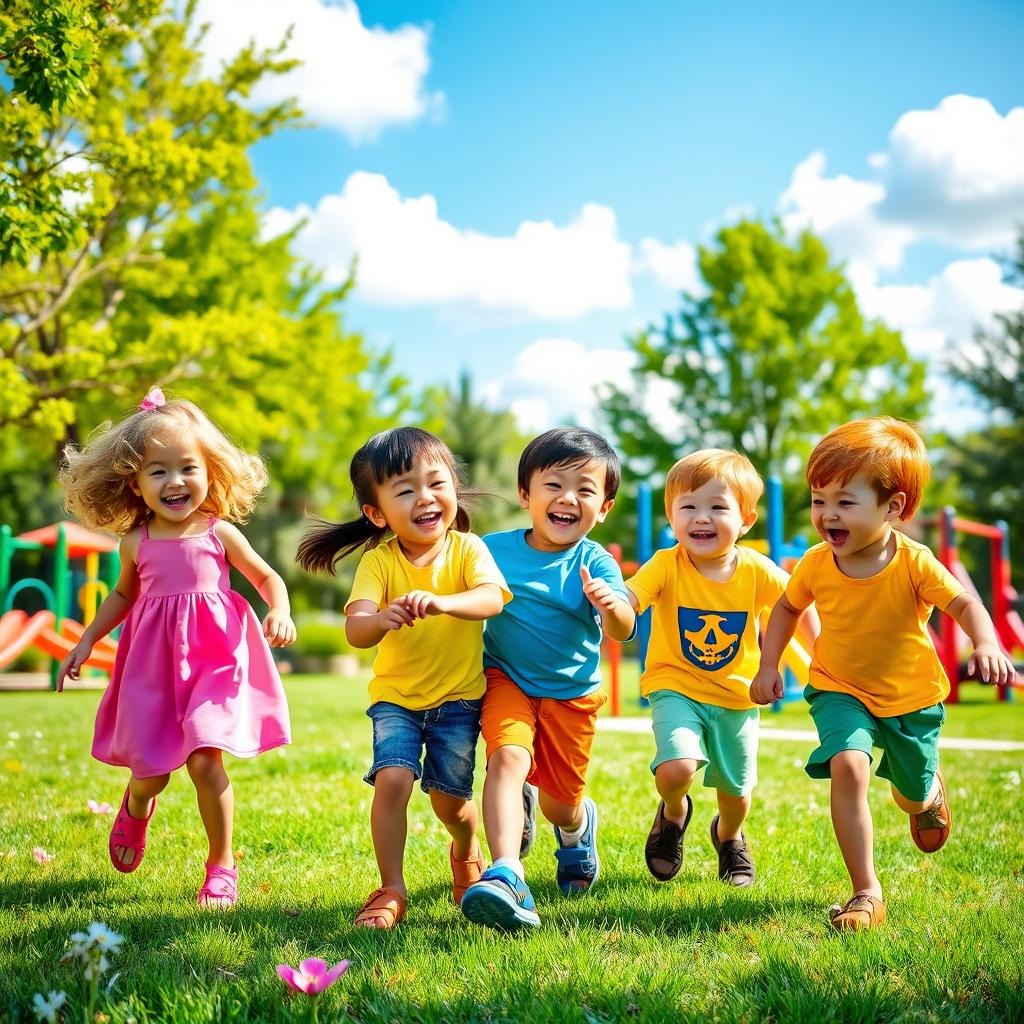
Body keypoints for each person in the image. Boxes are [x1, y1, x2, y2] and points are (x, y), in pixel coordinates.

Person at [750, 417, 1015, 930]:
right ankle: (865, 892)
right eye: (818, 499)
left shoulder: (914, 562)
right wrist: (768, 664)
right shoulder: (815, 563)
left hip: (911, 697)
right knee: (848, 765)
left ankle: (925, 792)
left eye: (845, 502)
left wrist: (985, 640)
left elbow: (964, 603)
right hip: (838, 687)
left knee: (909, 793)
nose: (827, 514)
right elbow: (784, 609)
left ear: (892, 508)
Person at [57, 387, 294, 908]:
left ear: (209, 472)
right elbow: (122, 595)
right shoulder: (134, 542)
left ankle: (221, 865)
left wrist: (279, 609)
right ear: (135, 484)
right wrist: (86, 640)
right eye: (157, 471)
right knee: (152, 774)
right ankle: (136, 806)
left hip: (215, 662)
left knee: (207, 762)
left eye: (186, 467)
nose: (174, 481)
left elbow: (267, 577)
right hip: (154, 666)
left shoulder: (219, 533)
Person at [296, 427, 510, 930]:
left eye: (437, 482)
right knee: (392, 780)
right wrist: (380, 619)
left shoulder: (468, 550)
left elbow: (492, 598)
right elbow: (356, 629)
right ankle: (391, 888)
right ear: (376, 513)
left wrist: (445, 603)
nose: (425, 497)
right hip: (396, 700)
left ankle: (466, 850)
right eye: (405, 490)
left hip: (458, 701)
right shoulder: (380, 561)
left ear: (454, 489)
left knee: (451, 805)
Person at [460, 427, 636, 931]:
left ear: (603, 506)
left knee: (562, 805)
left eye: (585, 489)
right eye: (553, 485)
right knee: (507, 759)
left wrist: (611, 605)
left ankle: (577, 830)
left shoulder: (594, 560)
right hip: (506, 680)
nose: (568, 498)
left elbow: (624, 627)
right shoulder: (490, 550)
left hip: (571, 696)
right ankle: (506, 872)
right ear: (525, 494)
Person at [625, 450, 817, 889]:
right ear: (671, 516)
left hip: (737, 696)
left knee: (736, 793)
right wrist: (614, 600)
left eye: (717, 506)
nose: (701, 517)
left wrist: (819, 650)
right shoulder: (666, 564)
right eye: (687, 507)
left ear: (746, 519)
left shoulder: (755, 569)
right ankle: (675, 812)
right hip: (675, 685)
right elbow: (633, 596)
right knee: (677, 768)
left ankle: (728, 835)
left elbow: (795, 604)